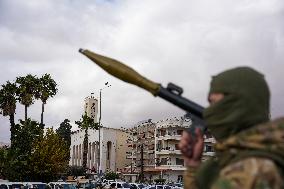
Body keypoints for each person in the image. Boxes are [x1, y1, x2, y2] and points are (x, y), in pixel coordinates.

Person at [179, 67, 284, 189]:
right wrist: (193, 166)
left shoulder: (249, 172)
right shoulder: (259, 154)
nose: (209, 111)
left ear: (237, 104)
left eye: (214, 103)